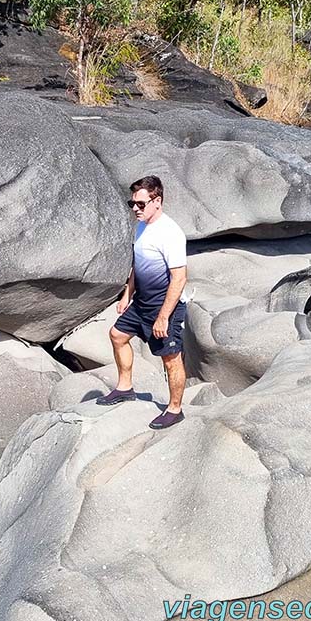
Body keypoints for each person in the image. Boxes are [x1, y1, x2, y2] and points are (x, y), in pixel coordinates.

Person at [97, 175, 188, 430]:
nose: (135, 209)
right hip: (140, 303)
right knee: (117, 335)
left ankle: (174, 409)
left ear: (156, 201)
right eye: (132, 204)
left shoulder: (170, 233)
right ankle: (125, 388)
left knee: (170, 358)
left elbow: (179, 278)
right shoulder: (142, 226)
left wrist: (163, 317)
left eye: (140, 204)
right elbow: (137, 265)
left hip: (164, 307)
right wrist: (127, 294)